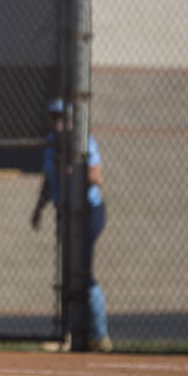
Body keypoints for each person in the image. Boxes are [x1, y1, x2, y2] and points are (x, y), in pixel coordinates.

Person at [30, 98, 111, 352]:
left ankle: (99, 335)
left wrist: (73, 167)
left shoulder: (83, 142)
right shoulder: (51, 145)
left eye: (62, 119)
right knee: (67, 273)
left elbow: (97, 177)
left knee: (82, 273)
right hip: (64, 213)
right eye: (54, 119)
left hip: (88, 213)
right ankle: (66, 335)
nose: (58, 124)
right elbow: (48, 181)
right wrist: (39, 209)